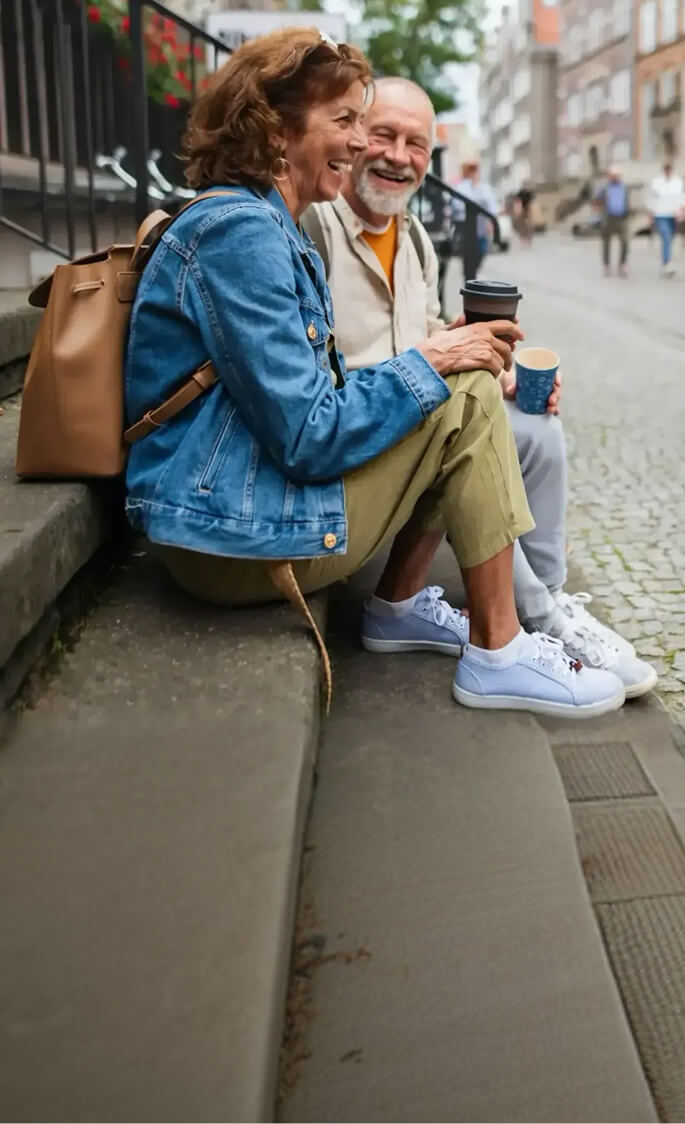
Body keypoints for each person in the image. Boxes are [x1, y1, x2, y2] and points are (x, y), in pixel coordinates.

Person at [123, 30, 627, 718]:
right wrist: (436, 360)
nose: (361, 143)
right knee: (463, 393)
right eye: (346, 122)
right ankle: (499, 646)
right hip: (224, 540)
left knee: (464, 389)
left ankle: (423, 615)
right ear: (275, 129)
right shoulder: (240, 233)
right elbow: (309, 435)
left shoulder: (268, 226)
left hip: (232, 511)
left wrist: (440, 357)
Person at [303, 76, 657, 699]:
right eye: (383, 134)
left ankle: (550, 600)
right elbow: (320, 386)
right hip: (359, 441)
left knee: (536, 423)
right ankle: (536, 624)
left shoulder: (412, 237)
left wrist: (494, 363)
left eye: (416, 144)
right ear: (354, 138)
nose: (397, 156)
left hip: (412, 417)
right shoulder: (315, 228)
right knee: (467, 414)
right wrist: (445, 360)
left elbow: (425, 332)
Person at [452, 159, 497, 271]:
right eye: (471, 170)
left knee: (481, 249)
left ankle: (473, 269)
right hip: (465, 222)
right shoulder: (461, 187)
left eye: (475, 170)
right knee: (468, 252)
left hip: (481, 221)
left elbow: (491, 205)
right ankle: (469, 272)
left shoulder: (484, 187)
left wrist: (490, 221)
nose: (473, 173)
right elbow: (457, 204)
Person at [647, 162, 685, 277]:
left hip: (673, 216)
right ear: (664, 170)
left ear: (672, 170)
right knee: (666, 237)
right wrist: (650, 214)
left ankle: (664, 262)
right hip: (661, 215)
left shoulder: (678, 182)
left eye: (670, 170)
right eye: (666, 170)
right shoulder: (657, 182)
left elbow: (683, 197)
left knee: (669, 240)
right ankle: (668, 264)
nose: (668, 172)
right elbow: (652, 199)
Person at [595, 166, 629, 277]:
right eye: (613, 175)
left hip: (621, 218)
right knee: (606, 243)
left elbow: (626, 202)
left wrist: (627, 213)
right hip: (608, 218)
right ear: (609, 176)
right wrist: (600, 213)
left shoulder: (624, 188)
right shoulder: (605, 188)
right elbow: (597, 201)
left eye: (617, 175)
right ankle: (606, 265)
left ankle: (622, 265)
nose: (615, 177)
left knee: (624, 241)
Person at [514, 181, 534, 245]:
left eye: (527, 185)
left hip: (527, 209)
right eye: (526, 185)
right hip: (521, 209)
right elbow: (517, 201)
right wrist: (518, 210)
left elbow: (531, 200)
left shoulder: (529, 193)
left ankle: (528, 237)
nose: (527, 187)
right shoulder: (520, 193)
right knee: (522, 223)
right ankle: (524, 237)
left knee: (528, 223)